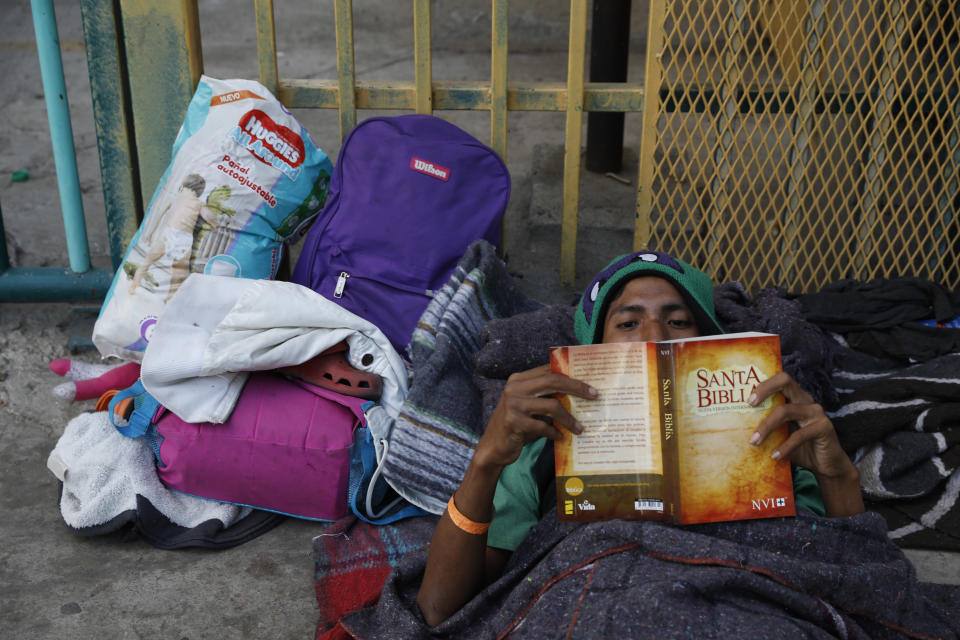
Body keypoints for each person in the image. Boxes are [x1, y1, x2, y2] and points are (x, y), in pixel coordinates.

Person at [416, 250, 865, 627]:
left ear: (707, 343)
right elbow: (442, 610)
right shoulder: (542, 442)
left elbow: (855, 583)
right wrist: (485, 464)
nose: (653, 338)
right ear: (592, 352)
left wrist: (837, 474)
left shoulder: (770, 434)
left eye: (678, 321)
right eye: (628, 324)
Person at [128, 173, 222, 298]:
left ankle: (133, 286)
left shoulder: (176, 199)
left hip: (168, 234)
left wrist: (151, 234)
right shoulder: (198, 204)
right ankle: (170, 298)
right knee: (178, 272)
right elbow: (210, 217)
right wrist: (214, 224)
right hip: (183, 238)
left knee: (147, 261)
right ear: (199, 191)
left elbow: (159, 216)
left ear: (183, 187)